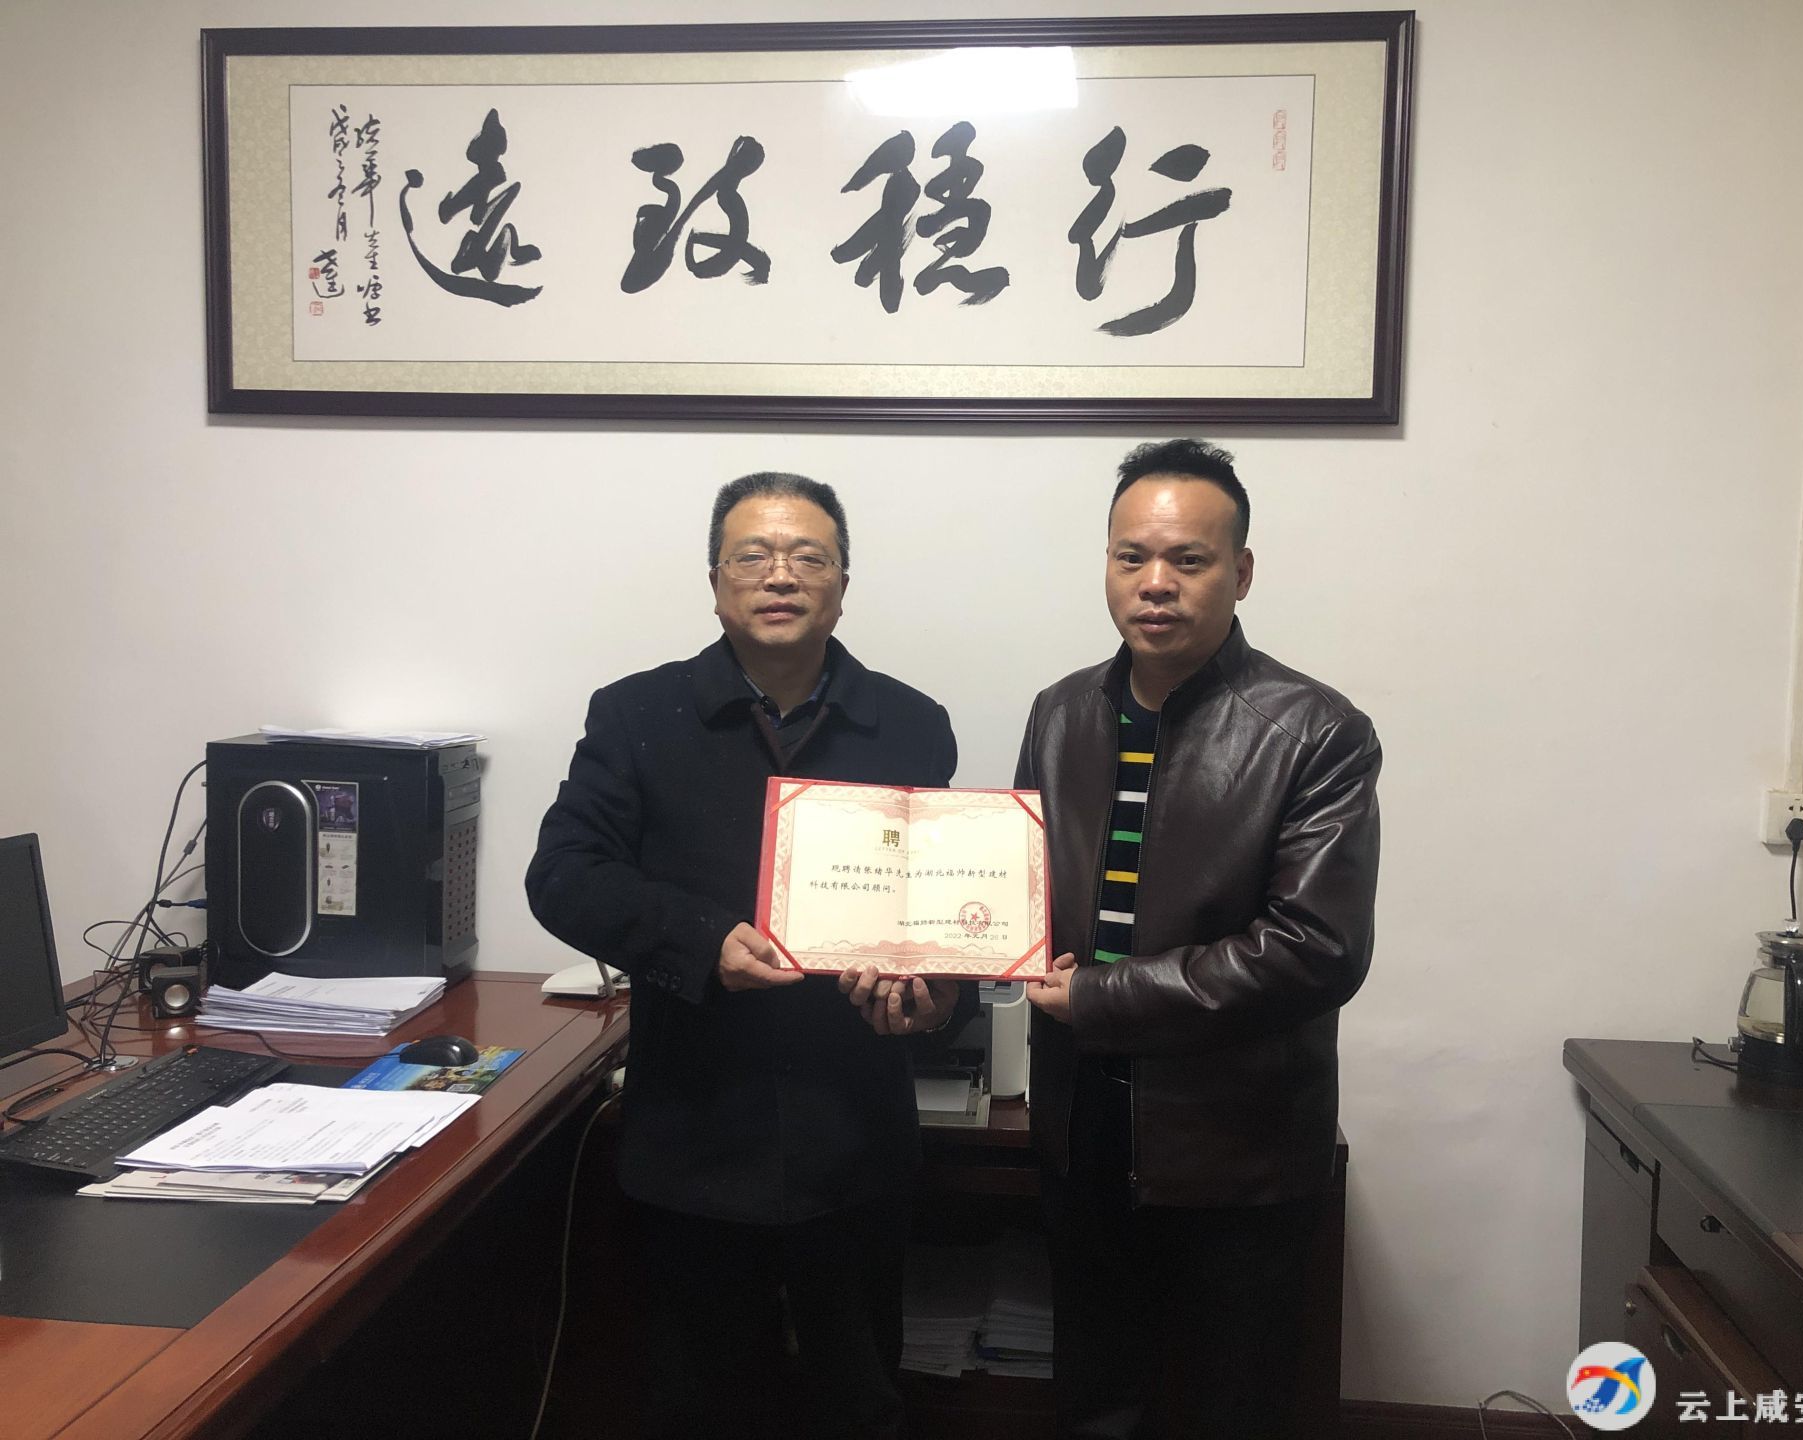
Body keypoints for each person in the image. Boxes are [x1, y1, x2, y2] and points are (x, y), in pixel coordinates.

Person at [526, 472, 964, 1440]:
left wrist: (936, 996)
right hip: (694, 1136)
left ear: (842, 585)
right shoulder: (637, 715)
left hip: (855, 1140)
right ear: (715, 582)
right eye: (753, 556)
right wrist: (699, 939)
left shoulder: (910, 723)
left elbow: (941, 910)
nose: (781, 575)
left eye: (809, 557)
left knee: (860, 1404)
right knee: (699, 1408)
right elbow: (562, 874)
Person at [1016, 438, 1382, 1440]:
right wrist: (928, 965)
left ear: (1242, 571)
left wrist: (1101, 997)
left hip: (1238, 1144)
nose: (1156, 583)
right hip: (1083, 1126)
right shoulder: (1060, 714)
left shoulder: (1315, 730)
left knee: (1232, 1405)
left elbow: (1315, 948)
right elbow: (1016, 902)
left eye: (1188, 559)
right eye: (1131, 556)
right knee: (1096, 1398)